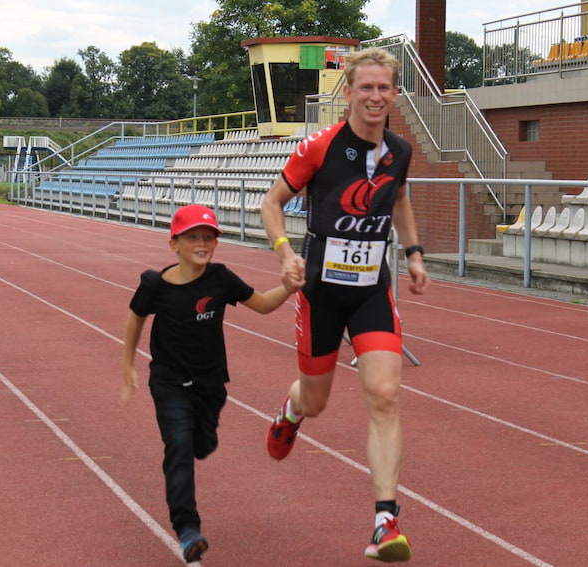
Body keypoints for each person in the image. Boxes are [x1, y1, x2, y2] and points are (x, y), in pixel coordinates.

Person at [260, 47, 429, 563]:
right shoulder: (320, 146)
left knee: (384, 393)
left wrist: (413, 252)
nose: (375, 96)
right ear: (350, 92)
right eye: (366, 88)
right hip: (320, 292)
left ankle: (385, 521)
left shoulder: (399, 151)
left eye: (384, 88)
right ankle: (291, 412)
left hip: (371, 289)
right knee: (317, 400)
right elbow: (272, 203)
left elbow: (397, 197)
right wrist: (285, 252)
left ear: (394, 94)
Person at [121, 204, 294, 563]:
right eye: (193, 237)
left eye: (208, 237)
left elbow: (261, 305)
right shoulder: (155, 284)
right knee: (179, 448)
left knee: (202, 444)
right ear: (175, 244)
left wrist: (288, 287)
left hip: (210, 383)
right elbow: (136, 318)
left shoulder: (221, 279)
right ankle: (187, 529)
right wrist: (128, 366)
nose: (202, 243)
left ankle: (204, 436)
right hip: (168, 382)